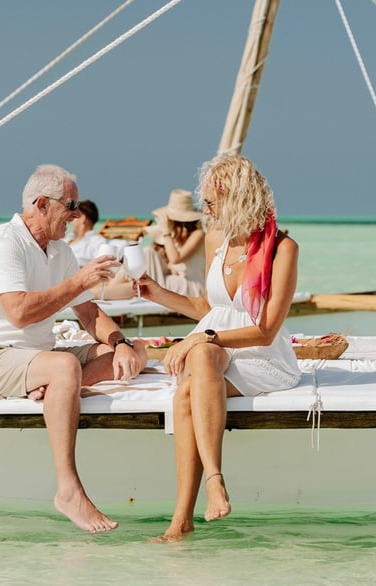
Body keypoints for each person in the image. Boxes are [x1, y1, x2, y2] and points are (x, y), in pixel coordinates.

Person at [0, 163, 148, 533]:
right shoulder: (2, 242)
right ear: (41, 204)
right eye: (70, 205)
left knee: (136, 352)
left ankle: (56, 390)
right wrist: (77, 282)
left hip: (34, 358)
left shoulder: (58, 251)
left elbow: (89, 314)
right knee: (62, 367)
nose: (76, 215)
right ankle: (68, 489)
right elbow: (20, 313)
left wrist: (121, 343)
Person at [138, 154, 302, 542]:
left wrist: (203, 337)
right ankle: (193, 507)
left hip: (261, 356)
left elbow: (264, 331)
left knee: (191, 383)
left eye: (211, 202)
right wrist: (157, 293)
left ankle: (193, 505)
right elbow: (210, 310)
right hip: (213, 349)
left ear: (237, 200)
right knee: (199, 368)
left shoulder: (282, 249)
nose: (206, 211)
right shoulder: (216, 238)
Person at [144, 188, 206, 296]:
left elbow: (175, 259)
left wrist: (165, 232)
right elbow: (172, 264)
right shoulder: (175, 237)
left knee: (143, 281)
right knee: (147, 254)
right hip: (178, 281)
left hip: (192, 287)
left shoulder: (198, 234)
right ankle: (108, 289)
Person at [65, 199, 107, 265]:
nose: (71, 220)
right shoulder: (68, 238)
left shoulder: (97, 242)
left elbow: (101, 266)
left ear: (82, 218)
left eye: (74, 215)